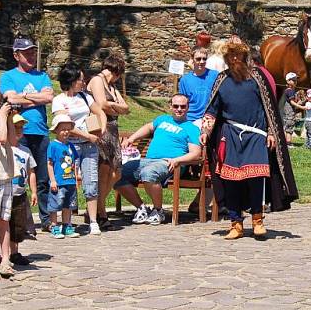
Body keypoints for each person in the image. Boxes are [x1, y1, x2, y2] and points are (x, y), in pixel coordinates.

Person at [201, 42, 297, 239]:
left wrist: (271, 132)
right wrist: (206, 130)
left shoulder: (257, 77)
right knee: (231, 181)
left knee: (256, 179)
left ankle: (257, 220)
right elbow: (212, 109)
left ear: (244, 56)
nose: (234, 59)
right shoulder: (222, 79)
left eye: (237, 55)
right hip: (230, 135)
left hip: (256, 135)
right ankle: (235, 223)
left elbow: (269, 108)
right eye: (230, 56)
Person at [115, 94, 202, 226]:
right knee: (115, 174)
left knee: (148, 174)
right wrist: (132, 138)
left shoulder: (192, 128)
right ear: (170, 106)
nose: (179, 109)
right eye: (176, 106)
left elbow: (196, 154)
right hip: (148, 160)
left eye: (183, 106)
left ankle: (158, 210)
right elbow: (148, 128)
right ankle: (141, 208)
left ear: (188, 108)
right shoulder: (162, 119)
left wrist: (177, 160)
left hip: (170, 163)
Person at [0, 38, 54, 231]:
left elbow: (49, 97)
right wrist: (35, 98)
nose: (31, 56)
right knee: (19, 178)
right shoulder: (8, 77)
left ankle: (46, 219)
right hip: (18, 132)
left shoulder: (42, 76)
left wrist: (23, 97)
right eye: (26, 53)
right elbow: (11, 99)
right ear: (16, 55)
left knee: (42, 179)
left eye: (32, 52)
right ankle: (22, 222)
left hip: (40, 132)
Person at [52, 66, 107, 236]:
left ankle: (93, 221)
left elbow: (100, 111)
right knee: (68, 181)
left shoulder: (85, 97)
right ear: (71, 81)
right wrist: (86, 135)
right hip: (70, 145)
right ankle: (66, 221)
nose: (83, 82)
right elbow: (64, 124)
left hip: (89, 146)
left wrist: (101, 128)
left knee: (91, 181)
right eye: (80, 79)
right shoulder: (59, 100)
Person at [87, 54, 130, 229]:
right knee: (103, 171)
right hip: (101, 128)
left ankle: (97, 207)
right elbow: (102, 104)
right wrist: (117, 107)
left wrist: (117, 107)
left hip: (113, 129)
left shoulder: (112, 86)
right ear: (117, 71)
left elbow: (126, 108)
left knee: (116, 172)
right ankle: (101, 213)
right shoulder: (97, 80)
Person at [9, 114, 36, 266]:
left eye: (21, 128)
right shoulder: (3, 149)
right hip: (5, 192)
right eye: (15, 128)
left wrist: (33, 191)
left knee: (17, 225)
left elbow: (31, 172)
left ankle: (14, 252)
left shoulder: (25, 151)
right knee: (2, 223)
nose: (19, 131)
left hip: (20, 193)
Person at [46, 115, 79, 239]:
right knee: (55, 204)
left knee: (68, 205)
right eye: (62, 129)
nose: (66, 132)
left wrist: (76, 178)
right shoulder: (53, 146)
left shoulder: (70, 146)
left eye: (68, 129)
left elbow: (74, 163)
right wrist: (53, 180)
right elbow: (49, 164)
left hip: (70, 181)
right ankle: (54, 226)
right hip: (58, 181)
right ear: (56, 130)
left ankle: (66, 225)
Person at [0, 102, 18, 277]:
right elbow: (1, 138)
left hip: (5, 175)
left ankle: (5, 258)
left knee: (4, 219)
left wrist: (9, 119)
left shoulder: (2, 121)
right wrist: (3, 116)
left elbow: (12, 140)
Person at [179, 47, 219, 126]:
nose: (201, 62)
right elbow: (183, 102)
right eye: (198, 59)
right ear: (192, 59)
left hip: (210, 118)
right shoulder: (185, 80)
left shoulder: (215, 75)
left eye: (204, 59)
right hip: (191, 118)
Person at [281, 72, 304, 148]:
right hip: (289, 113)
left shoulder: (291, 91)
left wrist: (301, 102)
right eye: (293, 80)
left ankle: (288, 142)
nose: (295, 82)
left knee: (290, 126)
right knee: (289, 126)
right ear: (288, 81)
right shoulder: (289, 91)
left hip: (290, 112)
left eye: (296, 80)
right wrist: (301, 107)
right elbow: (292, 102)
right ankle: (288, 143)